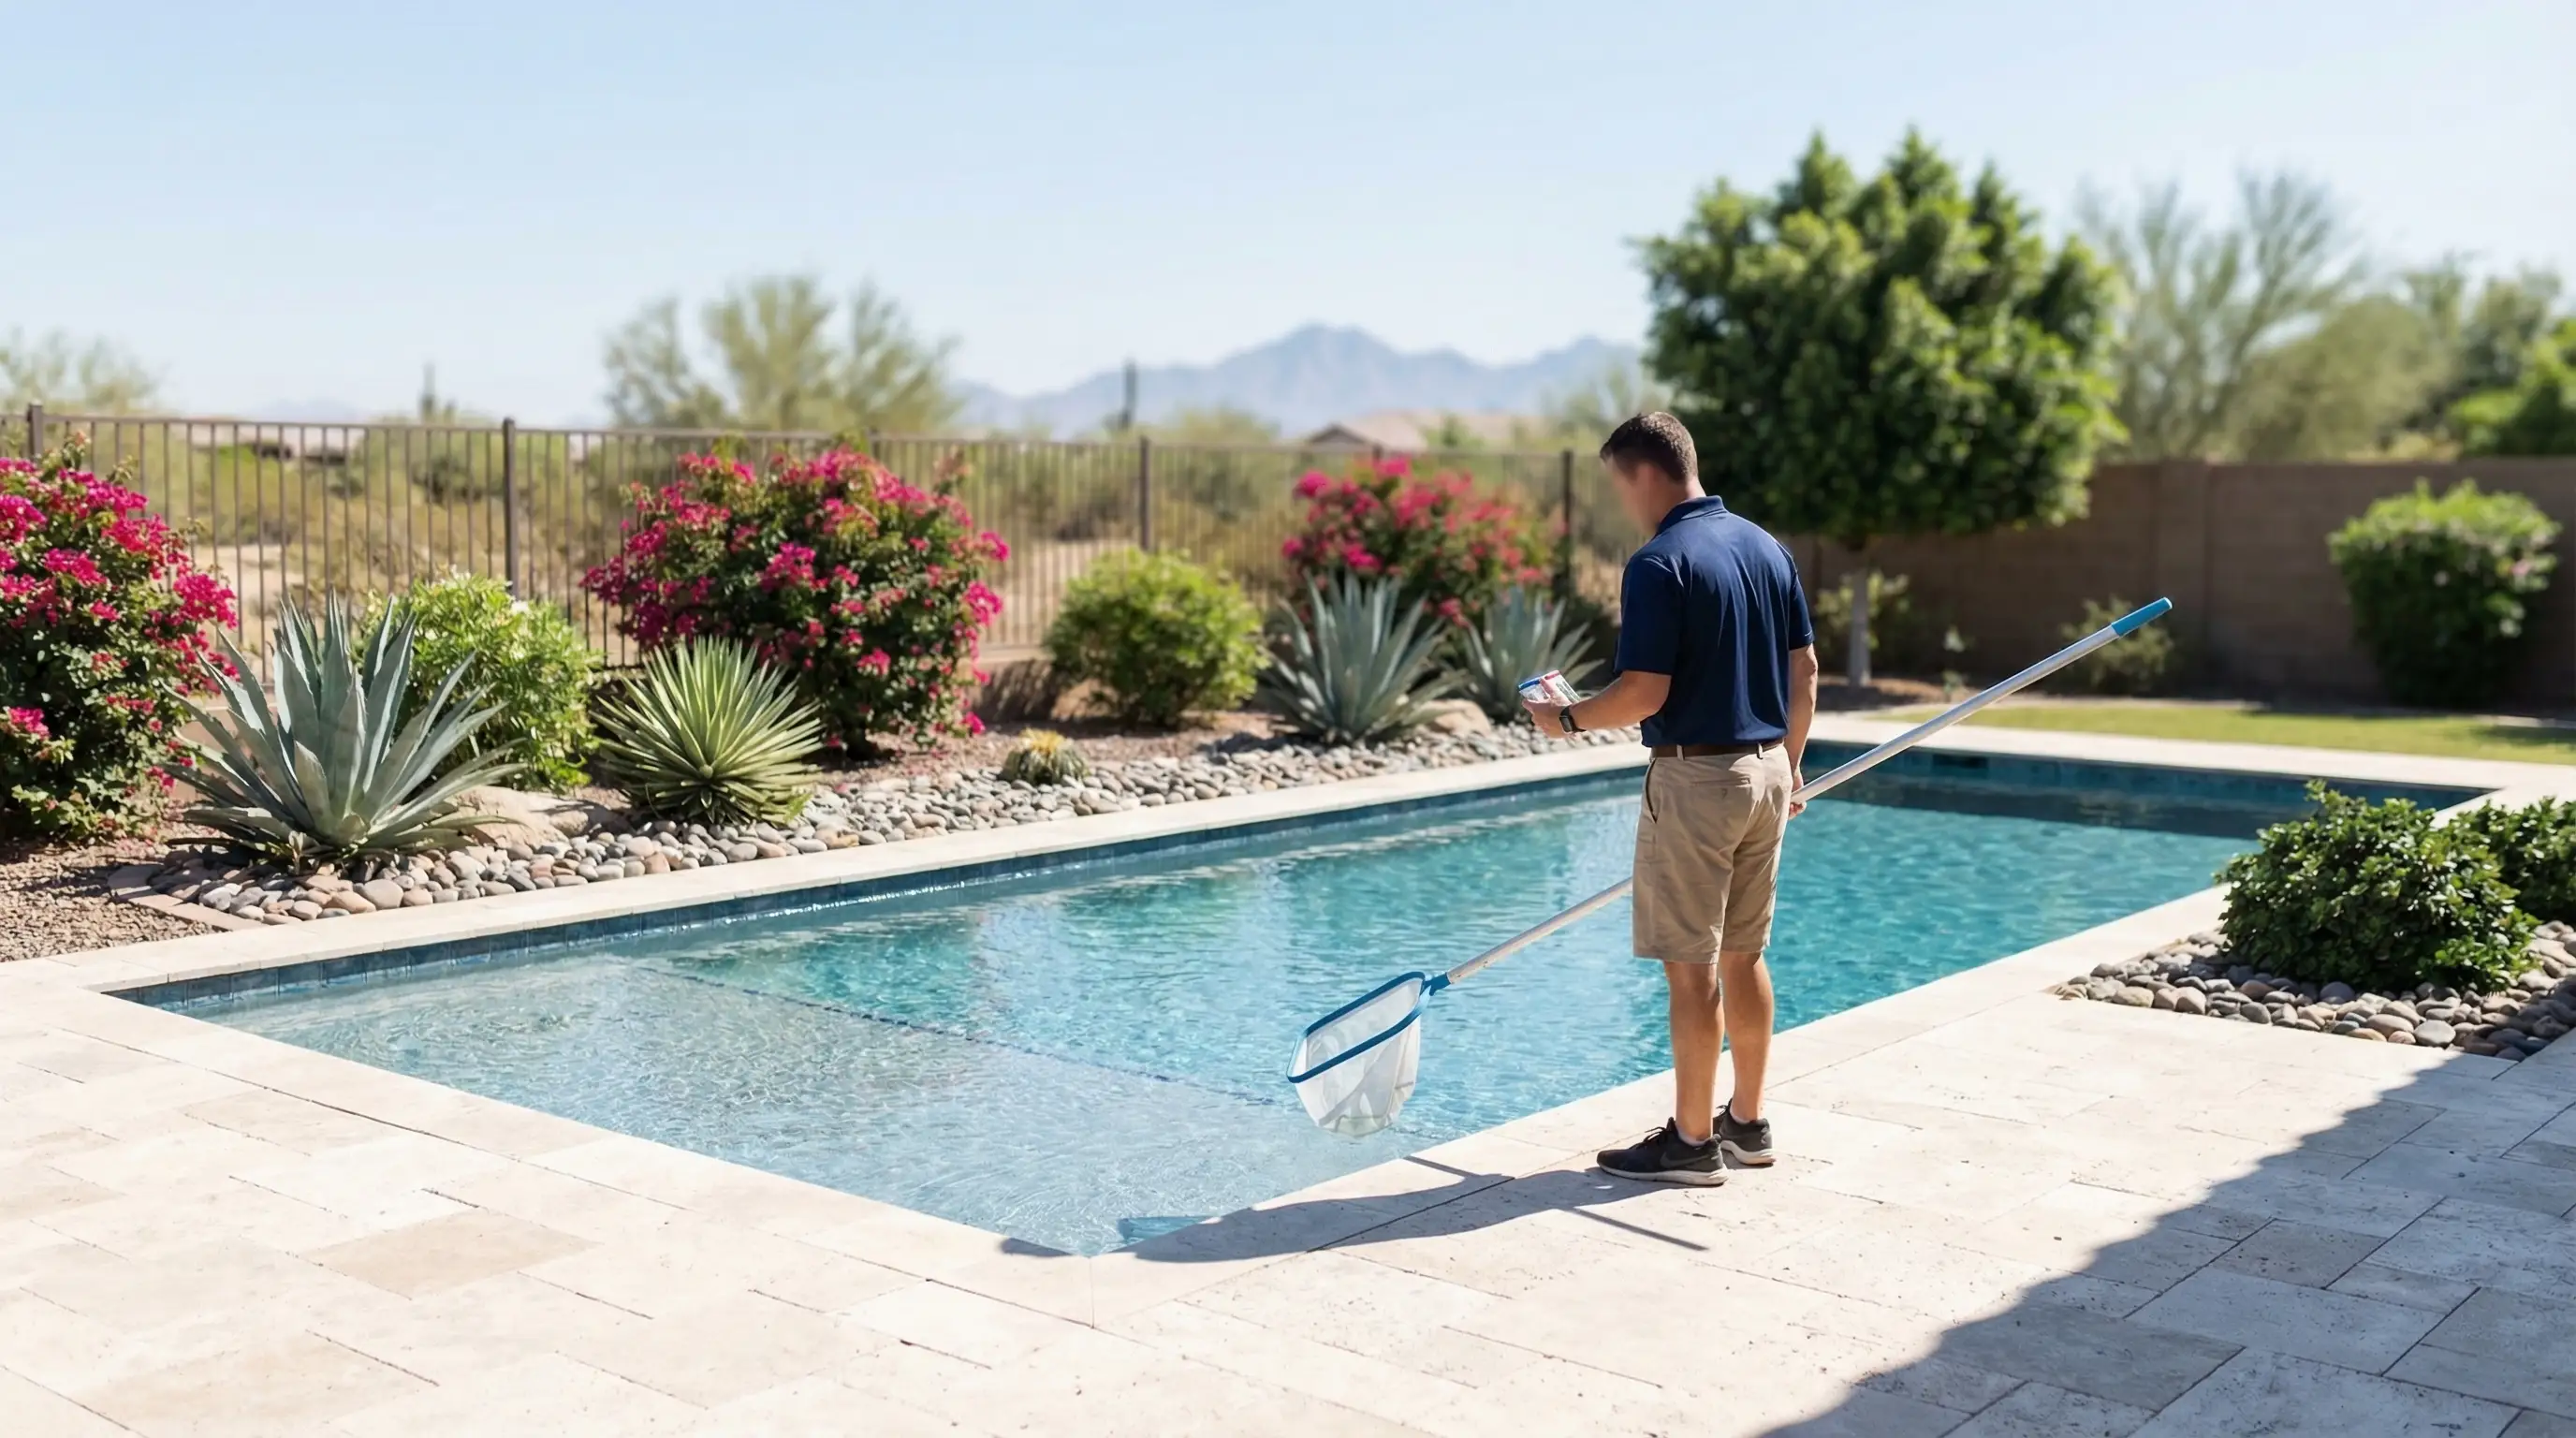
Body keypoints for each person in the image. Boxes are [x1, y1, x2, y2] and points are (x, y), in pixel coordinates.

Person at [1526, 412, 1819, 1185]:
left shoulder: (1659, 563)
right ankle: (1748, 1125)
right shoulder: (1765, 546)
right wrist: (1789, 767)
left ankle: (1691, 1144)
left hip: (1695, 779)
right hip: (1765, 770)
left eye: (1618, 485)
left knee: (1692, 968)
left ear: (1642, 473)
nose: (1622, 503)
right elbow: (1806, 669)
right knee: (1745, 953)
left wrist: (1567, 719)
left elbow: (1642, 691)